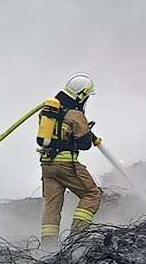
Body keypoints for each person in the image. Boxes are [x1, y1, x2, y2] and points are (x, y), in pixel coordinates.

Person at [36, 73, 103, 247]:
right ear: (81, 95)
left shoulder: (47, 112)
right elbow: (84, 144)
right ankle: (76, 239)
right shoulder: (75, 114)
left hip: (47, 165)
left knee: (51, 206)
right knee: (92, 194)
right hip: (66, 165)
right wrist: (86, 130)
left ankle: (48, 247)